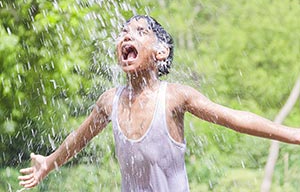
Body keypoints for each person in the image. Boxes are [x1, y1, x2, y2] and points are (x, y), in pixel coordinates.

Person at [18, 15, 300, 191]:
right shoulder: (110, 102)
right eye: (124, 32)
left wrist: (294, 135)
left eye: (140, 31)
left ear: (160, 52)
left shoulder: (175, 97)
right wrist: (49, 163)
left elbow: (235, 119)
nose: (127, 35)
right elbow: (77, 140)